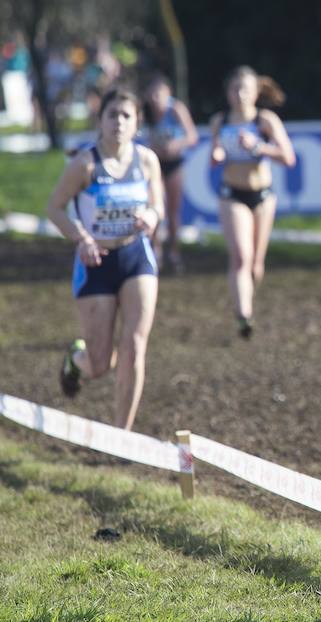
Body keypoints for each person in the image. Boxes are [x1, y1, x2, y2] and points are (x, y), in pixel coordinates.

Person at [47, 88, 164, 431]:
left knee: (135, 345)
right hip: (95, 261)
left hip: (135, 256)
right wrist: (81, 238)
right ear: (100, 121)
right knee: (101, 364)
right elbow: (54, 208)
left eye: (127, 116)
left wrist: (153, 217)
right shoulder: (85, 163)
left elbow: (157, 205)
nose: (119, 122)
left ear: (137, 123)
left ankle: (122, 436)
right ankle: (76, 359)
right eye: (112, 114)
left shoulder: (146, 161)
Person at [209, 66, 296, 338]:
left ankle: (246, 300)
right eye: (235, 89)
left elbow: (288, 157)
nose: (240, 95)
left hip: (262, 195)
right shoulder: (220, 121)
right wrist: (218, 154)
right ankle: (243, 315)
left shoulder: (265, 121)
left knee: (256, 265)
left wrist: (258, 147)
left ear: (256, 92)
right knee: (241, 257)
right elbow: (214, 154)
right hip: (231, 193)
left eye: (245, 89)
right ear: (227, 92)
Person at [142, 74, 198, 274]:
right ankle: (154, 250)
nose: (156, 98)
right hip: (153, 164)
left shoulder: (176, 110)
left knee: (173, 211)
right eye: (153, 94)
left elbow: (192, 136)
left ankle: (174, 251)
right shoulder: (144, 112)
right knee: (154, 208)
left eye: (160, 94)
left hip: (173, 163)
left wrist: (176, 145)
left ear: (168, 94)